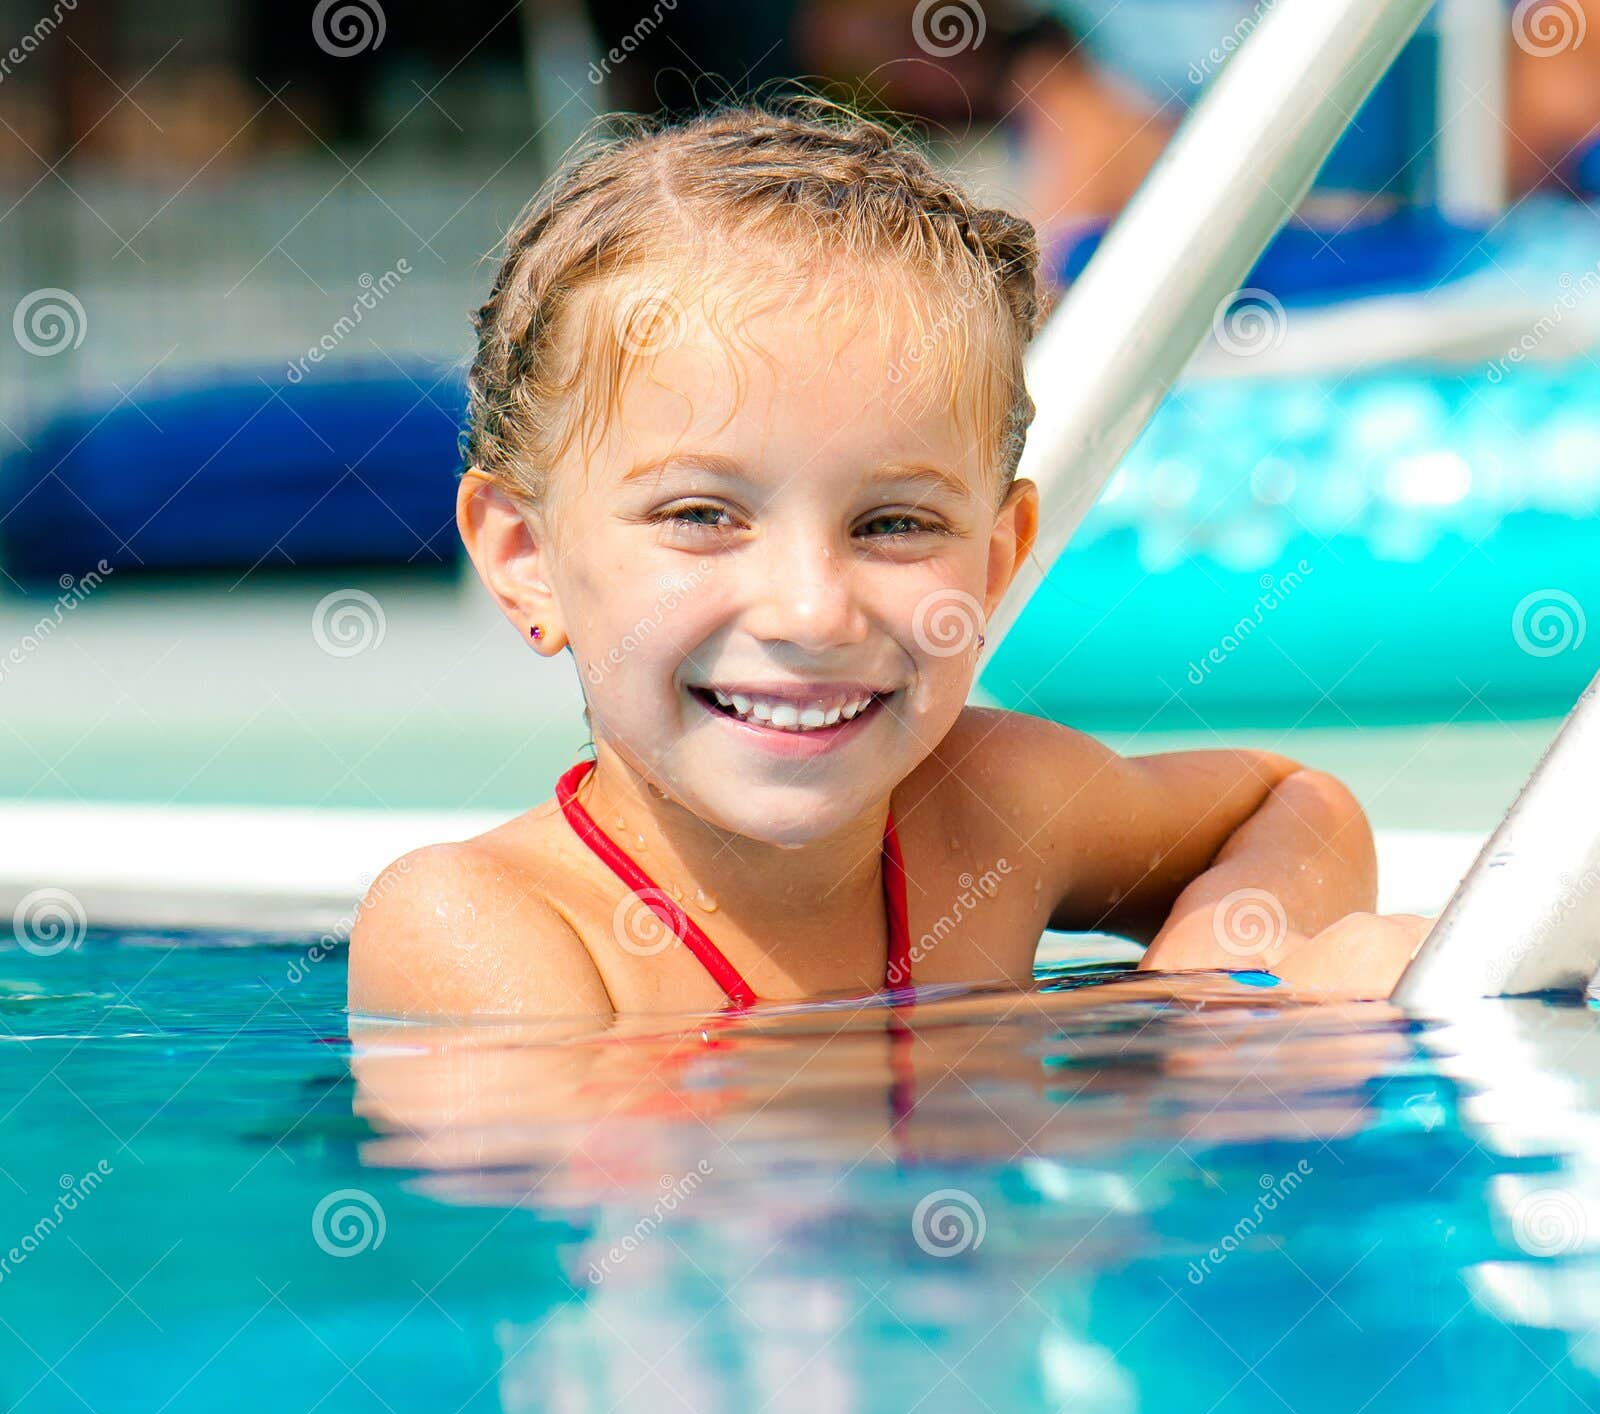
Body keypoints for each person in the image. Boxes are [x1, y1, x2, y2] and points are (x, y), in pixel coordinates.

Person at [349, 100, 1430, 1021]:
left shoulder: (987, 806)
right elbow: (727, 1199)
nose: (812, 611)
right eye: (701, 514)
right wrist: (1159, 1030)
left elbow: (1295, 808)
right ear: (525, 557)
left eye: (894, 525)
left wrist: (1222, 993)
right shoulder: (480, 928)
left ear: (996, 557)